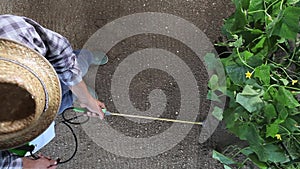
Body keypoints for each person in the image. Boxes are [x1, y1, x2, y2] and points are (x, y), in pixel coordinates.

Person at [0, 14, 108, 168]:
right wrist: (27, 165)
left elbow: (62, 56)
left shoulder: (12, 31)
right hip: (40, 96)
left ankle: (87, 58)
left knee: (79, 66)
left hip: (49, 72)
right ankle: (73, 95)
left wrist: (86, 99)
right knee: (59, 106)